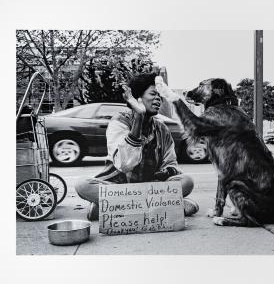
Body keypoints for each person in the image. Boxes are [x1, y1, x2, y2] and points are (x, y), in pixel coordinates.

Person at [75, 73, 199, 220]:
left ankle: (111, 207)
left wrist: (165, 172)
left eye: (160, 96)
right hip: (117, 188)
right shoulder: (119, 122)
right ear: (137, 98)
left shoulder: (162, 128)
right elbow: (125, 164)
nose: (158, 99)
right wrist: (139, 117)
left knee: (187, 181)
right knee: (82, 185)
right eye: (153, 94)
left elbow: (171, 162)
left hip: (152, 187)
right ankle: (170, 204)